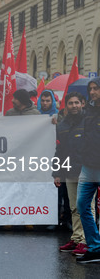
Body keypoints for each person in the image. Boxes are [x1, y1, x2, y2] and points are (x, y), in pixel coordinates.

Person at [53, 92, 89, 256]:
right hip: (69, 172)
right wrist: (57, 173)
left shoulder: (89, 122)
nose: (74, 106)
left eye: (77, 103)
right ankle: (76, 238)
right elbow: (59, 151)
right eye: (70, 103)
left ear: (82, 103)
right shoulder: (62, 125)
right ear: (65, 105)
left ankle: (85, 241)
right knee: (74, 207)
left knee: (86, 208)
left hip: (87, 172)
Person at [76, 77, 100, 263]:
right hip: (88, 167)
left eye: (96, 88)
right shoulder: (88, 111)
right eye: (91, 88)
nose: (92, 92)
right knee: (82, 205)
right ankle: (95, 247)